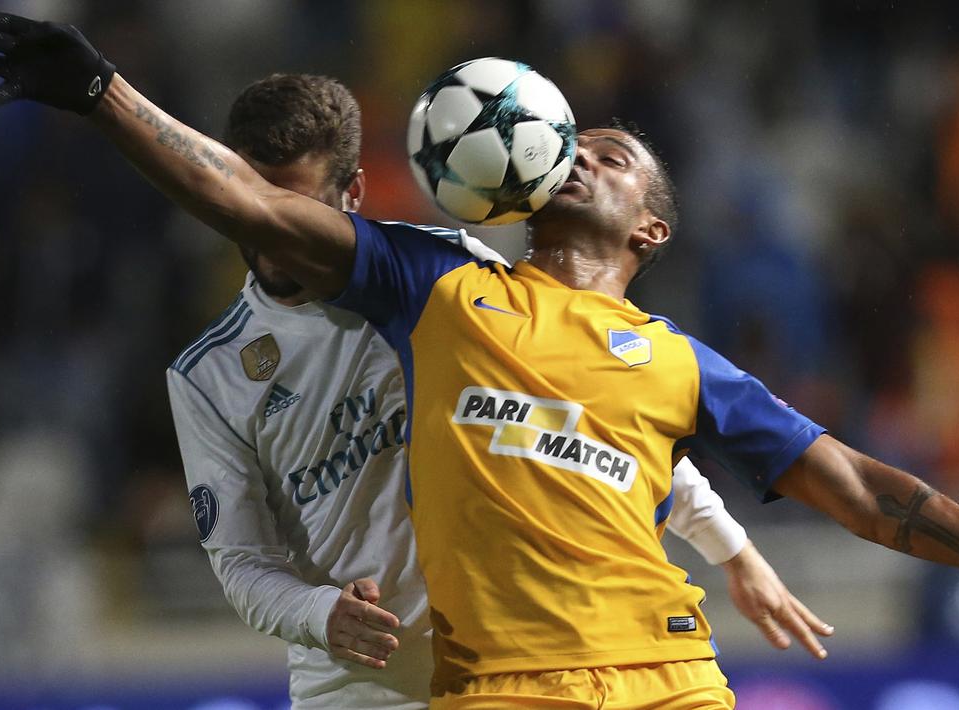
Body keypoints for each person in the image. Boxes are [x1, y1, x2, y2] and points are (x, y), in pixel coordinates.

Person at [0, 11, 959, 710]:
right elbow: (248, 205)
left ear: (652, 228)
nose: (584, 152)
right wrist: (100, 92)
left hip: (673, 676)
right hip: (495, 687)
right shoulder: (439, 286)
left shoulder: (679, 363)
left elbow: (856, 486)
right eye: (576, 141)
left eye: (615, 154)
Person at [167, 73, 832, 708]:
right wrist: (317, 613)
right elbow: (242, 562)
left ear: (355, 192)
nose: (271, 230)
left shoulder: (443, 277)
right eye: (252, 207)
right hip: (358, 688)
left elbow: (593, 425)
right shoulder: (209, 374)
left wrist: (731, 547)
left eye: (294, 206)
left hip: (515, 669)